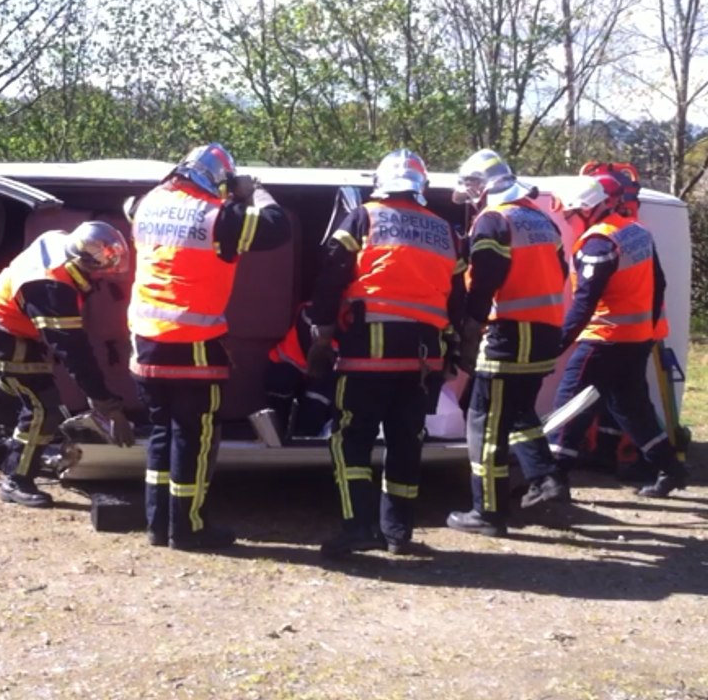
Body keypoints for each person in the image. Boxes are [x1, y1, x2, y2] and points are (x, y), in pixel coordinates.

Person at [128, 142, 291, 551]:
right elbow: (276, 226)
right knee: (194, 441)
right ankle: (188, 529)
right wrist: (254, 189)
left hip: (146, 346)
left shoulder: (147, 204)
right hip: (194, 347)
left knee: (161, 436)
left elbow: (135, 204)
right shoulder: (219, 215)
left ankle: (157, 523)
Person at [306, 148, 466, 558]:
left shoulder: (364, 216)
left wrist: (321, 332)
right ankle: (398, 533)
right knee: (406, 441)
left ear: (381, 183)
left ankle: (359, 527)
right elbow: (459, 299)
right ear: (421, 187)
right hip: (423, 358)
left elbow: (332, 272)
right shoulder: (445, 230)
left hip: (369, 351)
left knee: (351, 438)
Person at [528, 166, 689, 503]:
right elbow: (659, 283)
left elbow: (585, 302)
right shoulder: (636, 231)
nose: (569, 222)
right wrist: (648, 328)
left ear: (586, 210)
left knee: (568, 406)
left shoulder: (598, 243)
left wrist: (557, 345)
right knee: (633, 409)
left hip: (602, 340)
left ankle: (553, 479)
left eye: (570, 215)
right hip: (636, 339)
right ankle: (669, 469)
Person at [443, 149, 568, 537]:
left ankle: (488, 512)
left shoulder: (494, 221)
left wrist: (468, 330)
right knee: (519, 412)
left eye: (471, 192)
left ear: (481, 187)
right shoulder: (541, 220)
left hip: (508, 335)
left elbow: (483, 282)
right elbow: (562, 271)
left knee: (484, 424)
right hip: (545, 333)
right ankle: (547, 479)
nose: (471, 200)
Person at [0, 221, 136, 508]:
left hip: (4, 314)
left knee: (18, 382)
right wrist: (107, 406)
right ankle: (16, 478)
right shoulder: (51, 289)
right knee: (43, 409)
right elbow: (74, 353)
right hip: (0, 329)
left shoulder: (61, 241)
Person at [263, 301, 335, 439]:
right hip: (289, 367)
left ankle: (306, 438)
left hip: (325, 379)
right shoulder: (309, 312)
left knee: (320, 393)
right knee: (280, 380)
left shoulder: (358, 318)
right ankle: (276, 436)